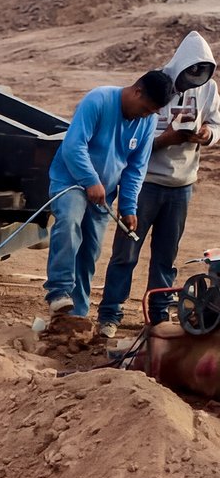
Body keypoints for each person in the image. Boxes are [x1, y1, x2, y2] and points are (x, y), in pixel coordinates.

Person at [99, 33, 220, 337]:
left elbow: (217, 125)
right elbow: (132, 137)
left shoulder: (209, 90)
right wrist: (167, 140)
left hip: (182, 185)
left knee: (166, 256)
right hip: (146, 183)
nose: (190, 84)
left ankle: (159, 316)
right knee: (126, 252)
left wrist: (206, 135)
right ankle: (110, 314)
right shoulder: (156, 85)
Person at [43, 68, 176, 324]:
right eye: (146, 109)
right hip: (71, 181)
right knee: (69, 223)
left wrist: (129, 207)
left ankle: (76, 315)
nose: (146, 115)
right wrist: (90, 180)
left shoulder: (146, 122)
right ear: (137, 91)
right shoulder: (99, 100)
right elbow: (74, 145)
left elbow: (136, 166)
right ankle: (58, 291)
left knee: (89, 251)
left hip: (103, 194)